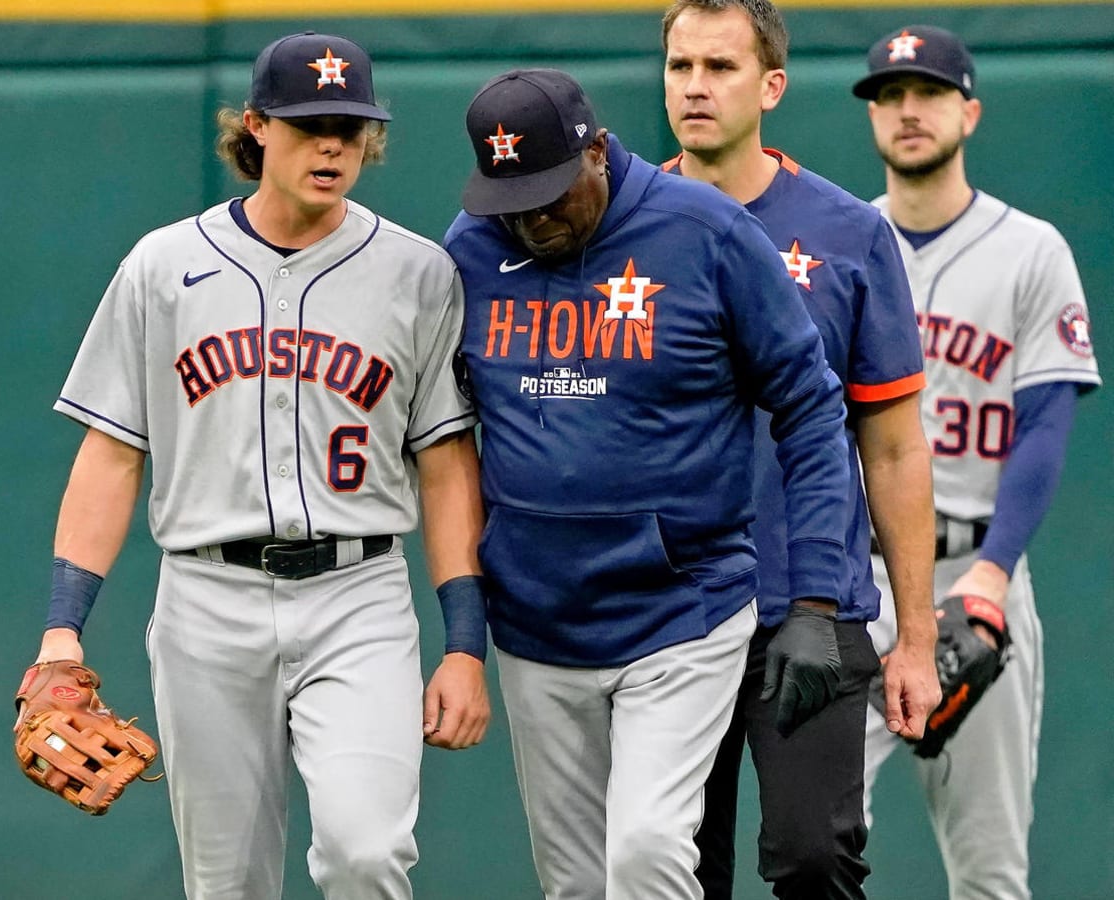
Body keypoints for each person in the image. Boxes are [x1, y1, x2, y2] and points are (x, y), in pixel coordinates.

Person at [23, 30, 492, 899]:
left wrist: (465, 643)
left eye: (350, 130)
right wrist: (62, 630)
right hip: (207, 599)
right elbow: (111, 453)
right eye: (310, 124)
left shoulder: (420, 273)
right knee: (226, 882)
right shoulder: (163, 267)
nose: (331, 147)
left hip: (358, 596)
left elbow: (446, 461)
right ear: (256, 127)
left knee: (366, 853)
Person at [443, 67, 854, 899]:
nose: (531, 219)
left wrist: (815, 600)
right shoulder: (470, 250)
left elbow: (811, 411)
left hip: (683, 609)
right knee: (577, 885)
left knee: (647, 850)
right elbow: (439, 440)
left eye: (551, 193)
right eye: (509, 200)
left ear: (598, 151)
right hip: (537, 620)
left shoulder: (706, 232)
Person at [656, 2, 944, 897]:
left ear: (771, 85)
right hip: (663, 612)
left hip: (810, 605)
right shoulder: (624, 224)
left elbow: (893, 448)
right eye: (679, 66)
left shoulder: (847, 232)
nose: (696, 87)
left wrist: (917, 637)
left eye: (721, 67)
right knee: (670, 867)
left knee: (816, 864)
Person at [851, 25, 1100, 898]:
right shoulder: (841, 244)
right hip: (860, 584)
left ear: (971, 111)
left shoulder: (1029, 250)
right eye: (889, 94)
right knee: (822, 850)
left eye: (927, 92)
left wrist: (995, 572)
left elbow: (1044, 424)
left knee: (991, 875)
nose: (908, 110)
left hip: (974, 576)